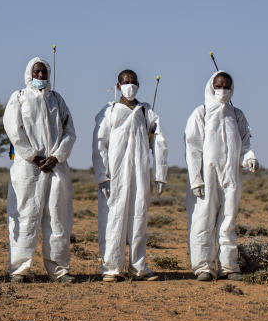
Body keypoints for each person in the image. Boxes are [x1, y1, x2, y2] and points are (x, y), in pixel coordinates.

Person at [3, 57, 76, 283]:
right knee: (24, 216)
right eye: (37, 72)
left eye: (44, 72)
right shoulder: (18, 98)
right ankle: (20, 270)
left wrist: (56, 156)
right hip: (28, 169)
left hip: (56, 168)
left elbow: (69, 132)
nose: (41, 76)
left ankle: (59, 270)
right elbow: (14, 131)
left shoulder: (57, 99)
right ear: (29, 74)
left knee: (57, 217)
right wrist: (34, 157)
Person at [92, 69, 167, 282]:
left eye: (134, 82)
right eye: (126, 82)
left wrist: (160, 173)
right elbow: (99, 145)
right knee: (113, 219)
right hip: (114, 175)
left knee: (139, 218)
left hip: (140, 172)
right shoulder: (108, 111)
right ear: (118, 86)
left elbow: (159, 141)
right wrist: (102, 176)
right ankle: (111, 268)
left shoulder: (146, 112)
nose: (130, 85)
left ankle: (138, 267)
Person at [184, 70, 259, 281]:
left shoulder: (237, 115)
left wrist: (249, 158)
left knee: (228, 221)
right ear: (211, 87)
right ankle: (204, 267)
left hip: (231, 176)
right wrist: (196, 179)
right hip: (206, 177)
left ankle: (229, 266)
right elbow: (192, 148)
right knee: (203, 221)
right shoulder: (201, 113)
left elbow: (245, 145)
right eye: (219, 86)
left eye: (226, 86)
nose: (222, 90)